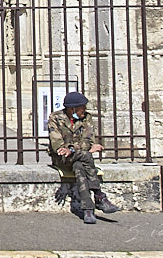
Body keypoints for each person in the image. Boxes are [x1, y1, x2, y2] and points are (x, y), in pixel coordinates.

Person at [48, 91, 120, 224]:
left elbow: (88, 141)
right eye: (82, 108)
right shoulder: (55, 118)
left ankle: (88, 210)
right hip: (61, 158)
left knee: (79, 166)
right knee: (86, 155)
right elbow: (57, 144)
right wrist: (75, 148)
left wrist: (72, 148)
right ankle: (99, 195)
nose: (84, 110)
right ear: (72, 109)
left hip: (78, 157)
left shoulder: (86, 118)